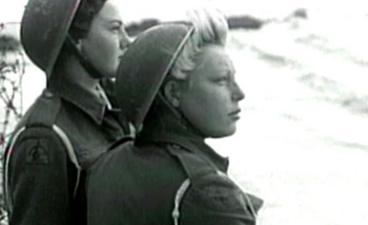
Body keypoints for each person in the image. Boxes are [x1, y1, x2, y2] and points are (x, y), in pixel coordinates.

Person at [87, 8, 263, 225]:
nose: (239, 93)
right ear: (173, 93)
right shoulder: (207, 192)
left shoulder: (106, 164)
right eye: (221, 80)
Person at [2, 0, 132, 224]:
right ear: (75, 40)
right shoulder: (45, 137)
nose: (127, 41)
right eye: (114, 28)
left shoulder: (115, 107)